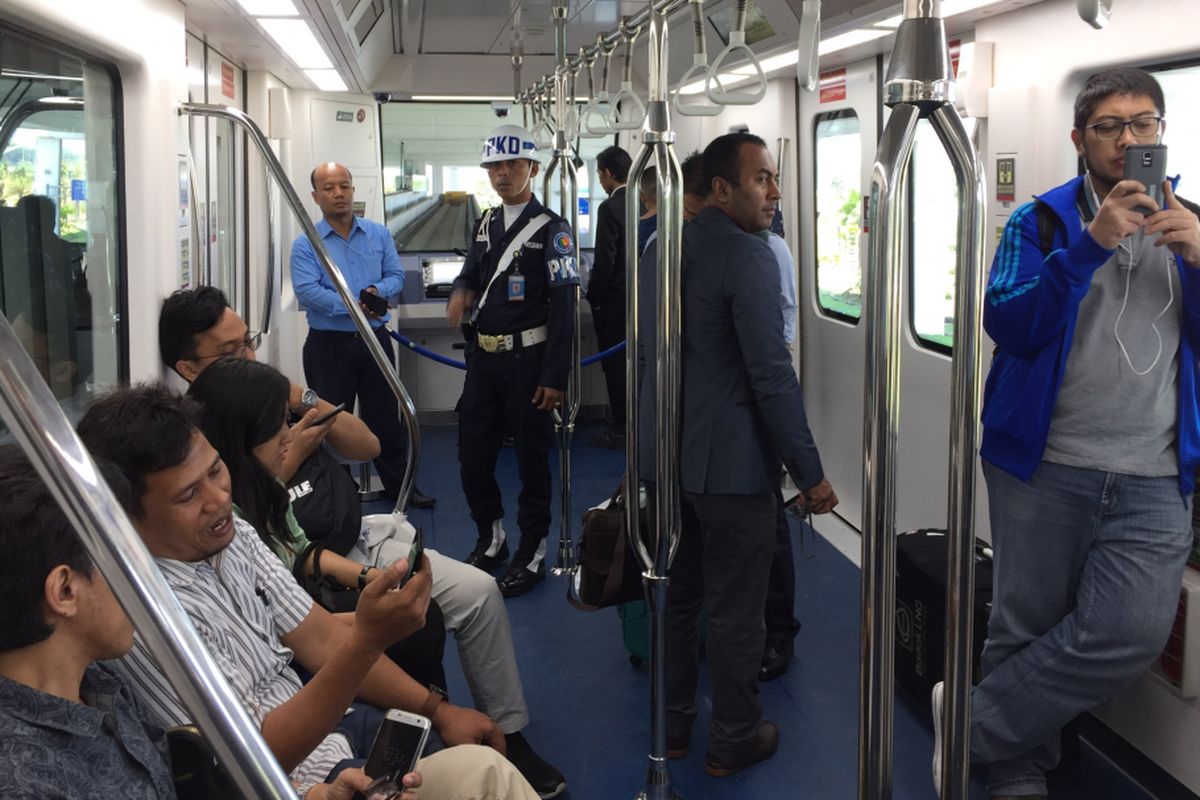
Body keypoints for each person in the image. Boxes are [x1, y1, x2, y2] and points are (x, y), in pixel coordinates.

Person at [931, 67, 1200, 800]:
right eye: (1110, 127)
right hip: (1046, 464)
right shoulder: (1042, 222)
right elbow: (1008, 324)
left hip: (1152, 474)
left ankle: (972, 727)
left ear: (1162, 132)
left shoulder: (1194, 223)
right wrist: (1085, 249)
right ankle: (1016, 765)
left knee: (1130, 632)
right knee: (1026, 621)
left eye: (1144, 123)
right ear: (1081, 140)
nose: (1129, 140)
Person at [76, 384, 540, 800]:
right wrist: (367, 641)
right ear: (127, 517)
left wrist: (438, 710)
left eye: (216, 471)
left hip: (338, 730)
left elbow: (320, 638)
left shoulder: (230, 532)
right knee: (487, 778)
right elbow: (248, 761)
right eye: (187, 496)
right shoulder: (140, 618)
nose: (217, 498)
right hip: (295, 779)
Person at [184, 354, 566, 797]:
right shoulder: (225, 525)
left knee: (476, 591)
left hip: (342, 552)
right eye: (191, 492)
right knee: (423, 630)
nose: (245, 352)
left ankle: (504, 729)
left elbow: (366, 449)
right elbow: (248, 753)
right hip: (306, 744)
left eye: (246, 343)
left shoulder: (239, 536)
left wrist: (368, 577)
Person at [0, 444, 385, 800]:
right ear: (65, 591)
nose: (143, 576)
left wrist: (311, 796)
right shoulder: (26, 778)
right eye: (122, 557)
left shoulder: (99, 684)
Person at [662, 132, 837, 778]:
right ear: (720, 190)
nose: (774, 192)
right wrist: (810, 474)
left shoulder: (667, 249)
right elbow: (771, 377)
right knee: (737, 611)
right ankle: (733, 735)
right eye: (761, 179)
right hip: (734, 471)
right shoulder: (751, 257)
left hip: (675, 456)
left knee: (679, 600)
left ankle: (674, 726)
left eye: (774, 178)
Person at [446, 124, 579, 598]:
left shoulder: (554, 231)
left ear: (532, 169)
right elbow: (471, 270)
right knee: (472, 456)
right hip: (484, 362)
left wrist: (555, 375)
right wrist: (462, 290)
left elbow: (564, 308)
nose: (502, 174)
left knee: (530, 461)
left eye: (512, 166)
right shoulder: (485, 222)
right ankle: (492, 534)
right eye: (495, 167)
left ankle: (533, 548)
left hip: (530, 362)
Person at [290, 162, 434, 509]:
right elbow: (308, 291)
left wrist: (376, 292)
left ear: (353, 190)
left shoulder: (378, 234)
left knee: (387, 417)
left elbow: (396, 276)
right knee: (327, 419)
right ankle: (334, 493)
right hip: (329, 346)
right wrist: (355, 307)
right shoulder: (306, 244)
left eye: (344, 186)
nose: (338, 193)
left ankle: (400, 486)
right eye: (329, 188)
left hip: (375, 341)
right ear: (315, 196)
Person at [587, 145, 632, 449]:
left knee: (615, 366)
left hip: (615, 302)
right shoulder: (646, 200)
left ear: (607, 173)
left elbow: (605, 259)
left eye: (600, 175)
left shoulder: (610, 207)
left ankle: (620, 427)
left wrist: (594, 297)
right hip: (642, 299)